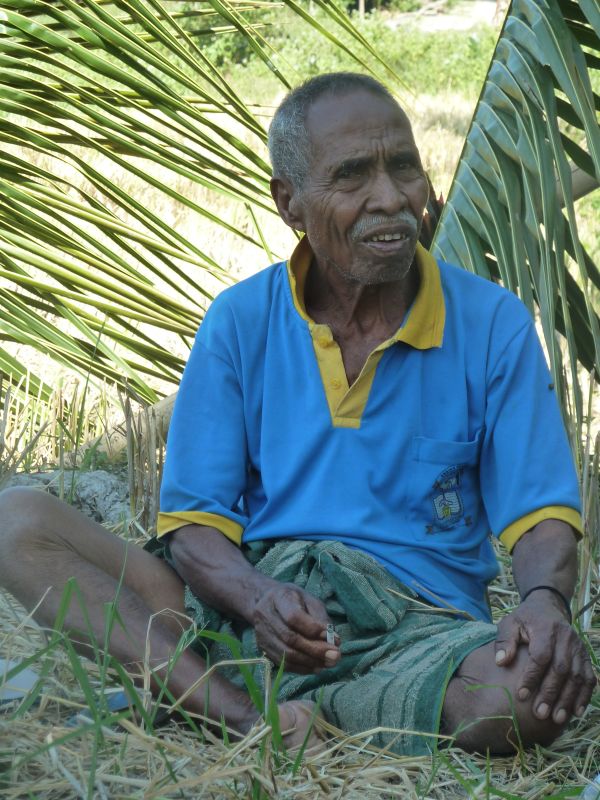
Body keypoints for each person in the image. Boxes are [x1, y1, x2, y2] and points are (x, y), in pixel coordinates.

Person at [0, 72, 594, 756]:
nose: (391, 197)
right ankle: (248, 720)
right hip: (248, 605)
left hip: (415, 628)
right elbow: (195, 529)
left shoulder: (492, 324)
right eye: (352, 175)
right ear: (290, 202)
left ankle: (246, 699)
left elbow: (541, 515)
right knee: (18, 522)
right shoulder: (240, 321)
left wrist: (544, 602)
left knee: (525, 699)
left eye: (404, 167)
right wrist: (259, 598)